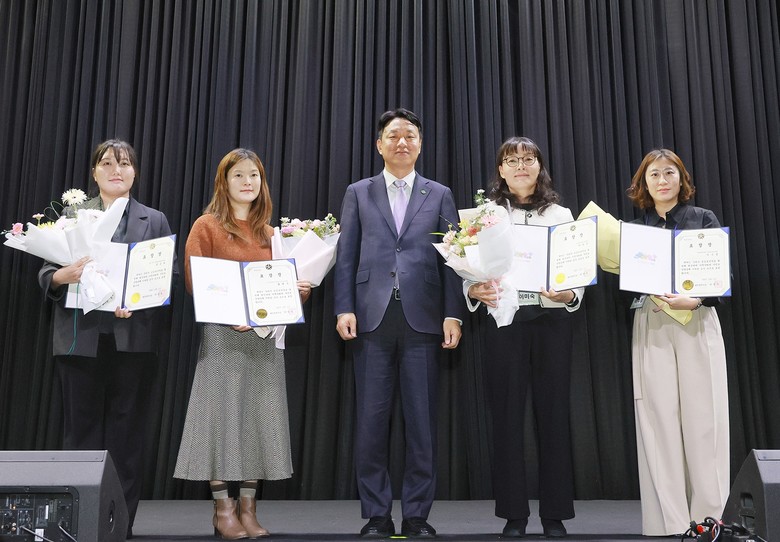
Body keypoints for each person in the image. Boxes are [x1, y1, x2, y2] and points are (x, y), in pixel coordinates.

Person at [334, 108, 464, 539]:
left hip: (424, 320)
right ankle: (376, 515)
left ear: (420, 145)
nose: (402, 142)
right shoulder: (359, 192)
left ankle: (416, 516)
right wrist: (343, 307)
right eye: (393, 135)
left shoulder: (439, 194)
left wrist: (452, 313)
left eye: (410, 135)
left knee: (421, 423)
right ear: (379, 145)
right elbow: (347, 254)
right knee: (371, 423)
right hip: (370, 319)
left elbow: (453, 259)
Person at [38, 139, 176, 538]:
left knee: (127, 436)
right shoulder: (72, 216)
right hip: (79, 341)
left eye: (125, 163)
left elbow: (167, 276)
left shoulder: (154, 219)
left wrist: (139, 298)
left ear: (135, 172)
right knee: (79, 435)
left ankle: (120, 523)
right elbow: (46, 273)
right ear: (94, 172)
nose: (117, 170)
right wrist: (62, 276)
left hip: (132, 341)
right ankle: (77, 523)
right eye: (108, 163)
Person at [174, 148, 311, 540]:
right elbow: (194, 281)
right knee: (220, 419)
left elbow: (280, 289)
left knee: (259, 420)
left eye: (254, 175)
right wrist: (231, 311)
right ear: (224, 181)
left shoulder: (273, 234)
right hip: (223, 336)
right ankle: (223, 509)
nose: (247, 181)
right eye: (239, 175)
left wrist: (298, 292)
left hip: (264, 338)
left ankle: (249, 508)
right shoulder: (207, 226)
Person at [465, 136, 582, 538]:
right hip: (505, 321)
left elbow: (576, 268)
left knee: (554, 416)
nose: (520, 167)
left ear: (539, 167)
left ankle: (555, 515)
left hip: (551, 321)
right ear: (500, 170)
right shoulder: (487, 215)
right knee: (506, 417)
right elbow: (469, 267)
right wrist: (472, 290)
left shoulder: (561, 214)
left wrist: (570, 294)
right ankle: (513, 515)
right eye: (511, 161)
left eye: (528, 159)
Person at [625, 149, 729, 536]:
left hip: (696, 319)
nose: (662, 180)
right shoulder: (634, 229)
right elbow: (627, 284)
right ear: (643, 183)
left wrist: (696, 299)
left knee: (705, 418)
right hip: (652, 320)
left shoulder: (703, 219)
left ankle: (709, 518)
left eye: (670, 172)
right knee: (658, 420)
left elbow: (720, 275)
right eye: (654, 174)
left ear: (682, 179)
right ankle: (668, 520)